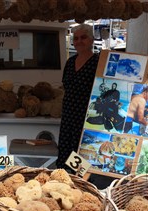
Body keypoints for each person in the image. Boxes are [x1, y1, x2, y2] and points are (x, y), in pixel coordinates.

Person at [57, 24, 100, 169]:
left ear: (92, 40)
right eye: (76, 38)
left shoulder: (98, 62)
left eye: (83, 37)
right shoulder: (70, 63)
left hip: (85, 117)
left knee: (82, 150)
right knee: (65, 149)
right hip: (68, 115)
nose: (79, 41)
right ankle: (64, 177)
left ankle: (79, 182)